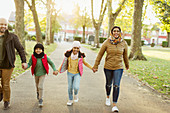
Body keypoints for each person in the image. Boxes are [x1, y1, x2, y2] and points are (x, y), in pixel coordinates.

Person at [93, 26, 129, 112]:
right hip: (108, 67)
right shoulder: (107, 42)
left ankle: (114, 105)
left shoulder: (123, 43)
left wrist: (127, 65)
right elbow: (100, 55)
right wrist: (96, 66)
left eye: (118, 31)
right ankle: (108, 96)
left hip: (118, 67)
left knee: (116, 85)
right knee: (108, 84)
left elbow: (125, 56)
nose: (116, 32)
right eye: (114, 31)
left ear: (120, 33)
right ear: (112, 32)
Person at [0, 18, 27, 109]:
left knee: (5, 84)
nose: (3, 26)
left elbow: (20, 49)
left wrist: (23, 61)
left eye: (5, 24)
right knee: (3, 86)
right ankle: (1, 92)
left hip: (7, 64)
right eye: (1, 24)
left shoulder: (12, 37)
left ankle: (6, 101)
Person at [56, 41, 95, 106]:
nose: (76, 49)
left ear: (79, 48)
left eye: (77, 48)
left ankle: (76, 95)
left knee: (76, 87)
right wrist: (57, 70)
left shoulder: (80, 56)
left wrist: (92, 68)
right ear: (72, 48)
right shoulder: (68, 55)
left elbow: (85, 63)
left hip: (77, 73)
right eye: (74, 48)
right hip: (69, 73)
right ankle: (70, 99)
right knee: (70, 87)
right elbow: (63, 63)